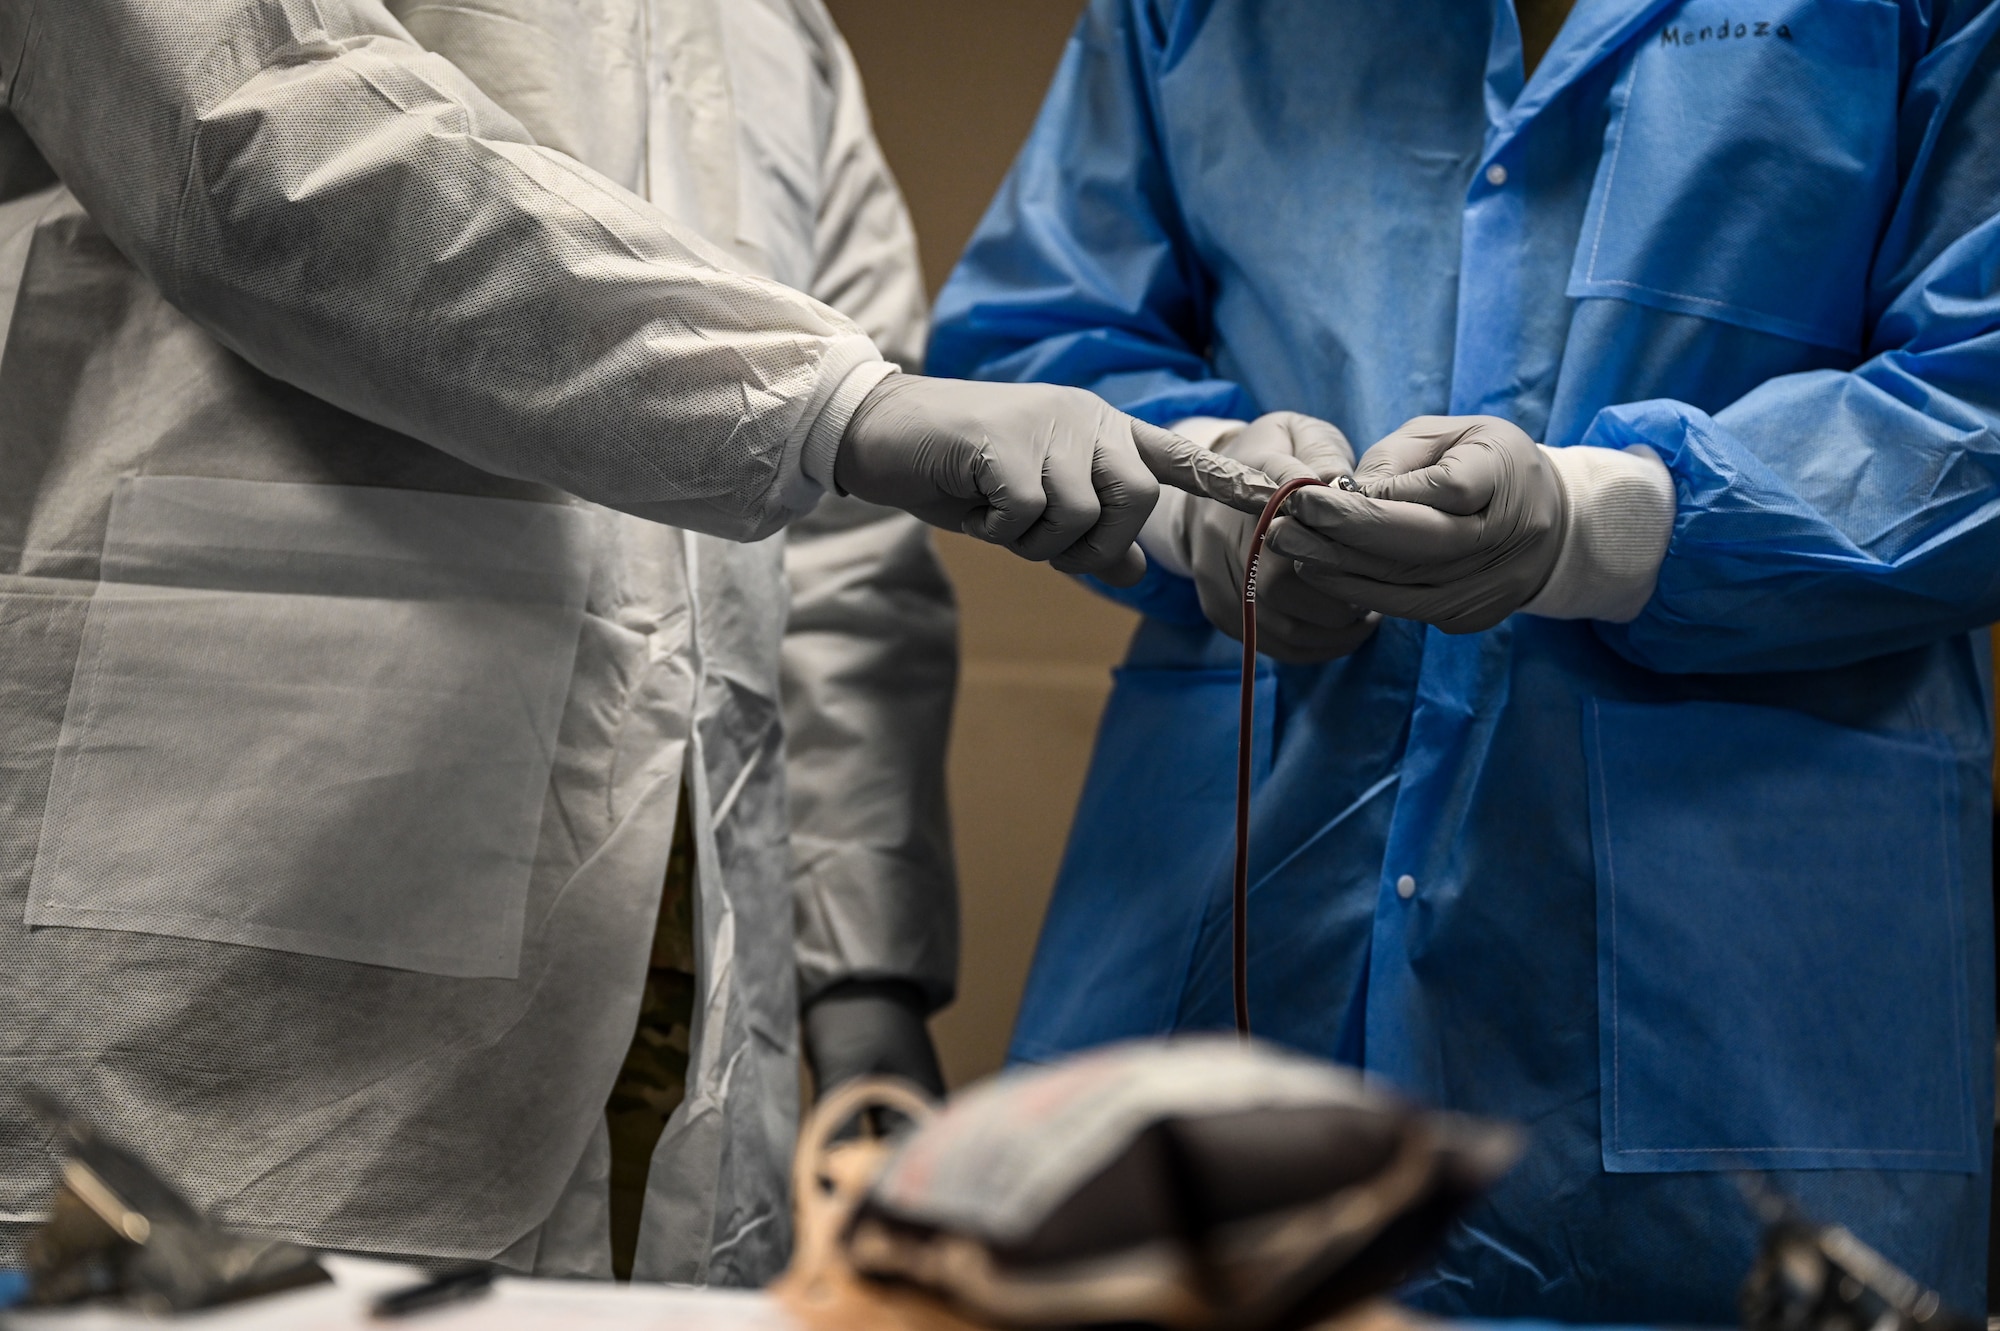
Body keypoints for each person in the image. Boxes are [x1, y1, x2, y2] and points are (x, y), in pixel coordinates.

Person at [0, 0, 1266, 1286]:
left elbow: (846, 543)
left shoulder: (778, 34)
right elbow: (266, 137)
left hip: (690, 974)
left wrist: (861, 989)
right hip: (243, 914)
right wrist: (839, 403)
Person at [927, 0, 2000, 1321]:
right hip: (1238, 923)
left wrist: (1602, 522)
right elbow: (1030, 336)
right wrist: (1192, 496)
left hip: (1741, 1004)